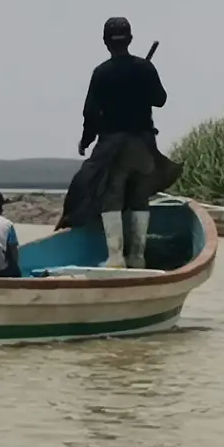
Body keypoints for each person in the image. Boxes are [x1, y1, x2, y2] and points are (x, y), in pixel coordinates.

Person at [77, 16, 168, 267]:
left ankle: (116, 258)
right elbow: (160, 99)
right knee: (140, 196)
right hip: (142, 143)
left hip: (113, 144)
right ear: (129, 39)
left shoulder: (101, 73)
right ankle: (138, 256)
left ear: (106, 42)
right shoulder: (145, 68)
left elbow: (90, 113)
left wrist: (86, 139)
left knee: (111, 195)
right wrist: (142, 89)